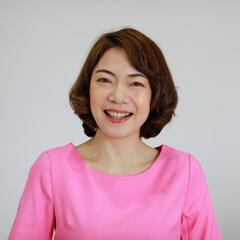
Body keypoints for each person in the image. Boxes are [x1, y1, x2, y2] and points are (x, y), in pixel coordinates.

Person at [8, 28, 223, 240]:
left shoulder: (184, 172)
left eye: (136, 83)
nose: (118, 96)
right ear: (88, 88)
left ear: (155, 95)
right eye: (105, 80)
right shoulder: (52, 168)